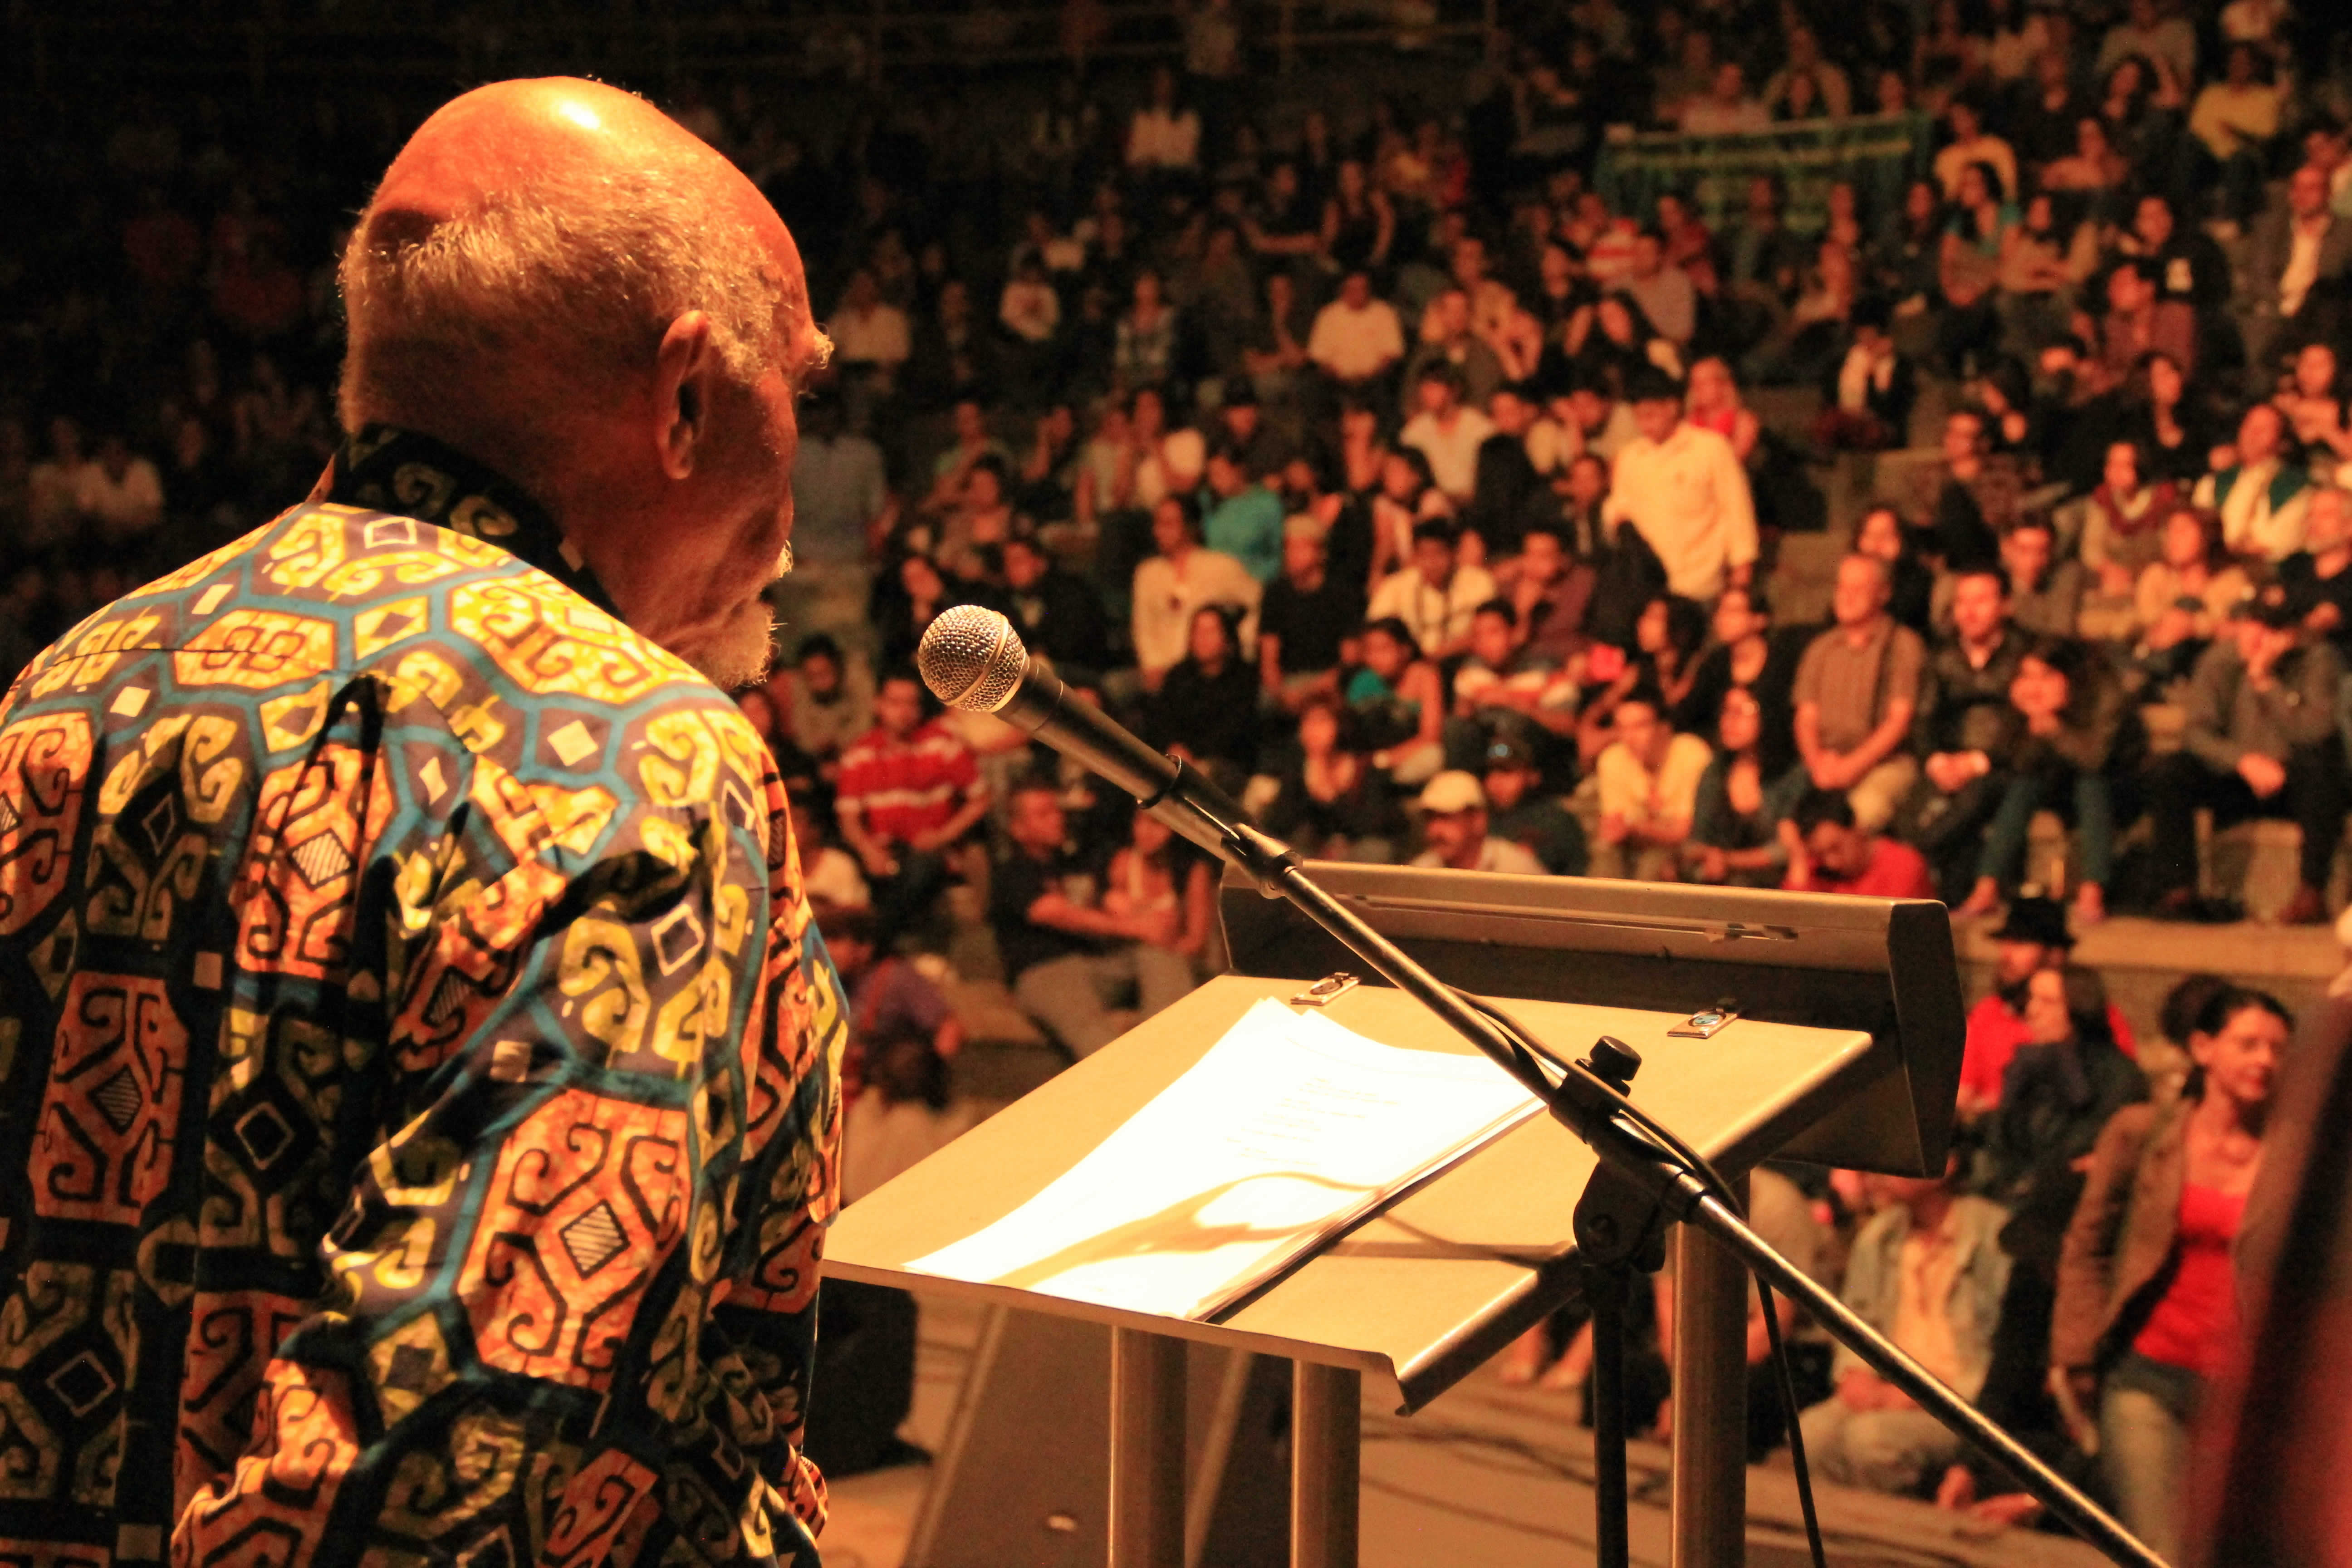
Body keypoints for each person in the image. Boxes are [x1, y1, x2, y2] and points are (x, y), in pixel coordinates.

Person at [0, 80, 842, 1560]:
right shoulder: (638, 757)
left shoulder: (67, 687)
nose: (805, 474)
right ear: (687, 398)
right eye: (804, 385)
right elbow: (454, 1443)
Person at [2055, 986, 2288, 1563]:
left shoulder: (2294, 1153)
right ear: (2204, 1047)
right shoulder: (2145, 1133)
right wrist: (2077, 1352)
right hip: (2148, 1378)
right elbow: (2089, 1245)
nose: (2265, 1060)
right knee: (2162, 1551)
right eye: (2249, 1044)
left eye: (2279, 1050)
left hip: (2244, 1398)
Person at [1798, 1147, 2012, 1496]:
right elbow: (1855, 1319)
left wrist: (1923, 1396)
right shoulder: (1882, 1235)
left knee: (1871, 1442)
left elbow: (2005, 1349)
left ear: (1947, 1164)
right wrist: (1856, 1373)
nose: (1883, 1170)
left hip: (1958, 1398)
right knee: (1812, 1434)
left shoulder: (1991, 1233)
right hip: (1889, 1385)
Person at [2147, 589, 2347, 923]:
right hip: (2238, 775)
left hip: (2294, 778)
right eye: (2251, 625)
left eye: (2269, 630)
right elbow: (2197, 732)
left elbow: (2314, 731)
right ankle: (2178, 889)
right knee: (2171, 770)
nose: (2256, 636)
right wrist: (2242, 760)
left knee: (2321, 767)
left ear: (2291, 635)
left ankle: (2312, 890)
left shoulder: (2318, 660)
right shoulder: (2219, 661)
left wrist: (2265, 682)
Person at [991, 781, 1194, 1057]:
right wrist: (1133, 926)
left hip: (1098, 965)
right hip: (1046, 971)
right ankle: (1134, 1084)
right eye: (1044, 814)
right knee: (1096, 1038)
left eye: (1057, 810)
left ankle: (1174, 1050)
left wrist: (1134, 913)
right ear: (1018, 829)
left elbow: (1115, 904)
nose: (1057, 818)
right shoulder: (1013, 872)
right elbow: (1057, 913)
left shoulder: (1076, 862)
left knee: (1160, 955)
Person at [837, 671, 992, 947]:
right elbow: (849, 819)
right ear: (879, 705)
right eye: (895, 703)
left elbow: (980, 798)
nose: (904, 712)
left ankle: (880, 944)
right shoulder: (860, 753)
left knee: (924, 865)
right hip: (885, 851)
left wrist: (943, 836)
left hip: (933, 849)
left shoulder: (941, 743)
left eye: (911, 704)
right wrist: (869, 850)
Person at [1958, 896, 2141, 1117]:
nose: (2006, 954)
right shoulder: (1987, 1013)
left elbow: (2118, 1097)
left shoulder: (2099, 1018)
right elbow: (1963, 1095)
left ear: (2055, 954)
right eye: (2005, 943)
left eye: (2021, 944)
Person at [1792, 554, 1927, 833]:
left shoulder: (1902, 645)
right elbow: (1806, 718)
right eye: (1842, 588)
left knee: (1863, 811)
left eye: (1859, 589)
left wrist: (1851, 768)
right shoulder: (1821, 648)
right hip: (1824, 764)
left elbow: (1898, 721)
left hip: (1884, 764)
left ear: (1883, 593)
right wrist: (1817, 763)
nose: (1847, 597)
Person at [1603, 368, 1759, 603]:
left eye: (1651, 415)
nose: (1645, 425)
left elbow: (1737, 513)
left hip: (1699, 585)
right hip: (1646, 587)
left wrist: (1741, 578)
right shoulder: (1629, 457)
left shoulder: (1711, 449)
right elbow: (1617, 507)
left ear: (1672, 407)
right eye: (1639, 417)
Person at [1130, 493, 1261, 692]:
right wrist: (1151, 665)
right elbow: (1143, 626)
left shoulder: (1220, 566)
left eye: (1168, 524)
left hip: (1211, 672)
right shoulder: (1147, 573)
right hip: (1161, 672)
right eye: (1157, 524)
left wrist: (1235, 647)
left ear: (1189, 526)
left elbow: (1258, 605)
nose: (1159, 532)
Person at [1260, 693, 1406, 861]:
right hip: (1313, 853)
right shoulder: (1298, 767)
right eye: (1307, 722)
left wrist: (1331, 798)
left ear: (1340, 726)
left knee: (1377, 850)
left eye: (1322, 722)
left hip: (1357, 852)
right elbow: (1279, 823)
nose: (1312, 731)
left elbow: (1375, 825)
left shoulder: (1364, 769)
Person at [1590, 688, 1710, 881]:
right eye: (1622, 728)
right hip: (1637, 843)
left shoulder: (1691, 753)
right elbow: (1613, 827)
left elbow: (1684, 831)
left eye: (1640, 727)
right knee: (1605, 851)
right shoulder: (1613, 758)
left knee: (1655, 863)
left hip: (1689, 845)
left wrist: (1635, 827)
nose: (1629, 738)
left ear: (1664, 728)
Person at [2192, 402, 2311, 563]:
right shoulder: (2214, 482)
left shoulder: (2295, 488)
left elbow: (2277, 543)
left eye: (2264, 429)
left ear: (2283, 442)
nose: (2253, 434)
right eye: (2249, 426)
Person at [1366, 518, 1498, 662]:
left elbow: (1487, 631)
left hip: (1464, 660)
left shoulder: (1479, 582)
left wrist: (1441, 654)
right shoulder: (1395, 587)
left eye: (1439, 554)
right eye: (1424, 555)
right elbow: (1375, 633)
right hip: (1409, 665)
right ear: (1415, 556)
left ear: (1454, 554)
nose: (1432, 563)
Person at [1781, 789, 1937, 898]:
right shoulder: (1814, 870)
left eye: (1836, 848)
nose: (1832, 863)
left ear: (1856, 828)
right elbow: (1789, 924)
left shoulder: (1903, 866)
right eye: (1820, 854)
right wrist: (1797, 858)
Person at [1481, 736, 1585, 875]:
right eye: (1490, 772)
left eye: (1507, 772)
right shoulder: (1479, 819)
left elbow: (1578, 873)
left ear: (1533, 776)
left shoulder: (1557, 820)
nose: (1495, 781)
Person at [1410, 770, 1545, 874]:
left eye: (1447, 818)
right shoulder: (1419, 873)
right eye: (1431, 818)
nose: (1435, 830)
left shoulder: (1516, 870)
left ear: (1478, 820)